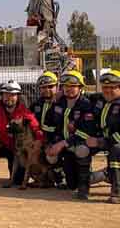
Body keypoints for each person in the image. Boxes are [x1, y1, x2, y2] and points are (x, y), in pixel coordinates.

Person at [45, 70, 103, 200]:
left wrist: (63, 143)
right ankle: (63, 180)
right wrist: (50, 143)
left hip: (81, 144)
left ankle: (100, 178)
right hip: (65, 146)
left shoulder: (87, 105)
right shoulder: (58, 104)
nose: (69, 89)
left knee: (81, 151)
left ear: (80, 87)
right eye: (66, 86)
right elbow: (49, 126)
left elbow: (86, 133)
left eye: (73, 86)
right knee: (70, 183)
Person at [0, 81, 43, 186]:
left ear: (18, 96)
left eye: (13, 95)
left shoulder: (25, 113)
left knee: (17, 181)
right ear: (1, 96)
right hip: (1, 145)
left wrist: (38, 141)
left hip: (17, 150)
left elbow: (36, 128)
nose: (9, 97)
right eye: (6, 94)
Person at [99, 70, 120, 204]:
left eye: (113, 87)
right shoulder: (102, 100)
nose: (108, 90)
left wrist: (105, 141)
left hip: (115, 143)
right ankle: (108, 175)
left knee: (116, 149)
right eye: (105, 87)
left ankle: (117, 191)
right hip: (109, 141)